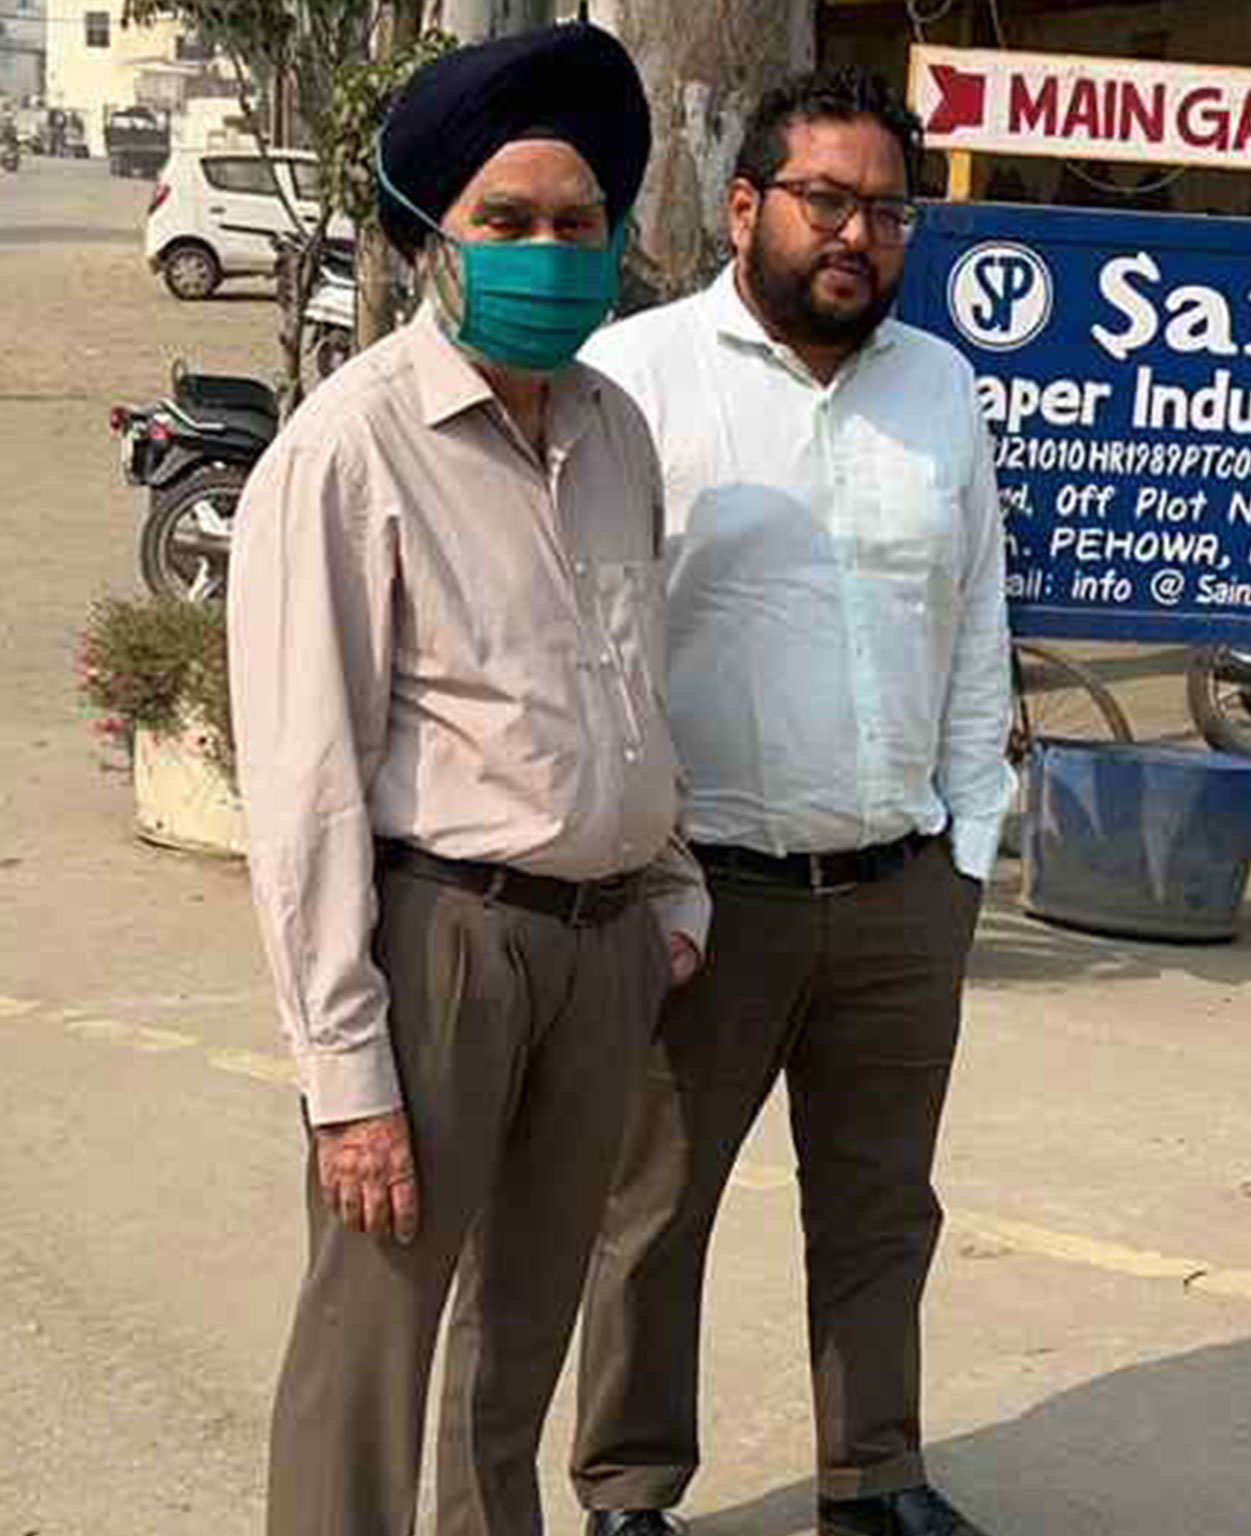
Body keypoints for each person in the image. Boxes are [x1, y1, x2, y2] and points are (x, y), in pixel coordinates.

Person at [225, 23, 708, 1536]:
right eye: (507, 220)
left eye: (577, 221)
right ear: (432, 239)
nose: (548, 252)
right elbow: (301, 783)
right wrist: (345, 1075)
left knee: (524, 1335)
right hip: (440, 942)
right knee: (372, 1338)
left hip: (603, 945)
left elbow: (633, 679)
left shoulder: (616, 432)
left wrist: (671, 887)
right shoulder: (350, 450)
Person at [567, 65, 1013, 1536]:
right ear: (745, 204)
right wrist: (635, 873)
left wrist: (968, 836)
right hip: (705, 898)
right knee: (653, 1211)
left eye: (887, 210)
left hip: (899, 893)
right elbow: (589, 640)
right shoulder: (635, 378)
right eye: (825, 199)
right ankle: (630, 1490)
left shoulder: (939, 388)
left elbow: (975, 619)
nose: (857, 234)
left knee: (883, 1207)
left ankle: (873, 1478)